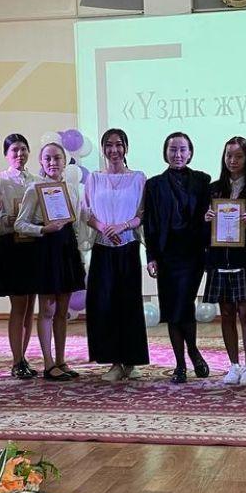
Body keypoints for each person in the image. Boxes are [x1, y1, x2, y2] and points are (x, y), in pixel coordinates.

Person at [143, 132, 212, 384]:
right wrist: (151, 256)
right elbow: (150, 223)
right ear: (165, 152)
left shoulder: (203, 180)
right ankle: (182, 362)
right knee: (172, 308)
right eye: (173, 149)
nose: (178, 154)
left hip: (193, 254)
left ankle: (191, 352)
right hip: (166, 256)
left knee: (184, 305)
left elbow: (210, 218)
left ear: (190, 152)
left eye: (183, 149)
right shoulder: (154, 184)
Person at [15, 141, 87, 380]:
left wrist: (79, 253)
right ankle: (48, 364)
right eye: (48, 158)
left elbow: (75, 223)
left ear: (65, 161)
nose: (53, 162)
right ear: (41, 162)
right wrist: (43, 229)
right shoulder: (34, 188)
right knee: (46, 309)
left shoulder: (71, 189)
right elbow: (20, 224)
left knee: (63, 311)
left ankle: (61, 360)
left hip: (67, 249)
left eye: (57, 158)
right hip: (46, 249)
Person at [82, 128, 149, 380]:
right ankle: (114, 362)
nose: (114, 150)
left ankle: (131, 361)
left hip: (128, 246)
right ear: (103, 149)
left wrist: (123, 226)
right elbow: (86, 213)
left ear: (126, 148)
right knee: (104, 305)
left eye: (119, 144)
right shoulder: (94, 178)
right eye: (109, 145)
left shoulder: (138, 178)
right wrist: (104, 228)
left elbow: (143, 213)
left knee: (129, 304)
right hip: (103, 248)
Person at [203, 136, 246, 387]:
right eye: (229, 155)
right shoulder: (213, 189)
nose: (233, 160)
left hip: (245, 260)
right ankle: (233, 364)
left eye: (238, 156)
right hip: (219, 260)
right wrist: (206, 220)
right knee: (227, 313)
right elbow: (203, 232)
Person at [0, 134, 39, 380]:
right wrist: (8, 219)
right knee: (18, 305)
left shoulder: (37, 180)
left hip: (34, 246)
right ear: (6, 154)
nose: (20, 154)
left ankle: (24, 357)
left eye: (23, 149)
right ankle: (16, 360)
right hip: (11, 246)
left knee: (30, 307)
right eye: (14, 150)